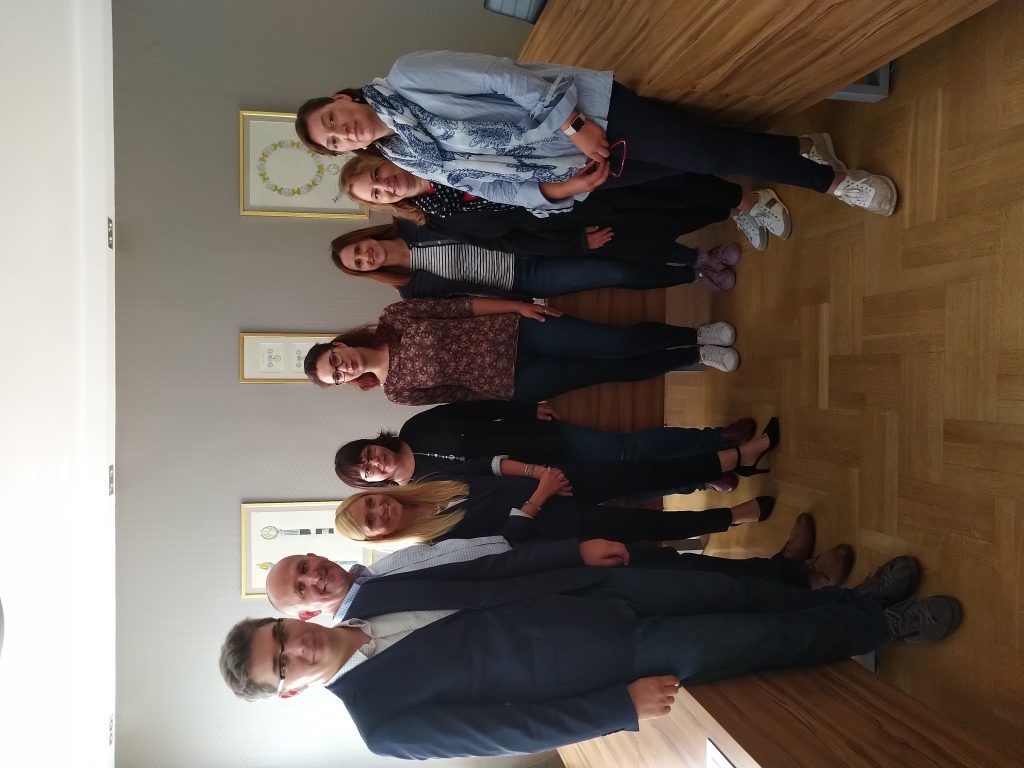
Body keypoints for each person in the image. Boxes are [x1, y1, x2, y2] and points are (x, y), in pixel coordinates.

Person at [221, 540, 957, 759]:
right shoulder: (382, 725)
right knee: (756, 638)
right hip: (615, 660)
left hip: (587, 591)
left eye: (279, 636)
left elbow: (486, 572)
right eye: (281, 665)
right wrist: (617, 709)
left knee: (739, 590)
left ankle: (854, 603)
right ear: (290, 689)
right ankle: (884, 627)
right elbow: (508, 729)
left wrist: (570, 553)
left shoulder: (372, 593)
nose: (295, 649)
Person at [294, 50, 897, 228]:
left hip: (589, 114)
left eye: (332, 120)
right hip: (573, 168)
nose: (343, 132)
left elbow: (502, 77)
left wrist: (576, 128)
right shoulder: (408, 155)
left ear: (341, 99)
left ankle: (835, 180)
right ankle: (801, 149)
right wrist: (559, 191)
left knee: (709, 153)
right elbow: (491, 185)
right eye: (335, 143)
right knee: (694, 158)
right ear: (349, 152)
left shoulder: (406, 77)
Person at [266, 512, 852, 625]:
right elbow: (485, 590)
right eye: (301, 588)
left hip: (544, 561)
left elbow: (479, 555)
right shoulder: (373, 614)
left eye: (303, 564)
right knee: (698, 594)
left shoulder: (380, 568)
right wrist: (567, 559)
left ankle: (782, 569)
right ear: (308, 612)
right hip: (560, 593)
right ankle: (807, 587)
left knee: (680, 568)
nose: (312, 575)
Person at [330, 420, 781, 546]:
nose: (378, 510)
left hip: (562, 480)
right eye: (370, 520)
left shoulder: (430, 481)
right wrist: (541, 496)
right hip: (564, 526)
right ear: (377, 535)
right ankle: (734, 517)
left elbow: (488, 466)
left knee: (647, 473)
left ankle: (740, 456)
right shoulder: (432, 543)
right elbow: (505, 542)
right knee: (652, 527)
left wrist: (537, 473)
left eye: (369, 503)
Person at [303, 297, 740, 404]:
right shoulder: (396, 392)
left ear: (340, 345)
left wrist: (517, 306)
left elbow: (461, 307)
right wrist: (519, 403)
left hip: (519, 332)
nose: (343, 369)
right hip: (518, 382)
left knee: (616, 342)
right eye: (336, 376)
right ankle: (695, 356)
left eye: (334, 360)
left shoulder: (393, 317)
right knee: (612, 370)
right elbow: (460, 397)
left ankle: (694, 332)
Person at [339, 153, 777, 252]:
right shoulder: (435, 220)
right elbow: (508, 242)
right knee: (662, 226)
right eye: (375, 194)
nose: (385, 185)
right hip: (564, 222)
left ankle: (748, 199)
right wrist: (574, 243)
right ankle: (729, 210)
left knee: (666, 189)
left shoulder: (437, 156)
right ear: (383, 204)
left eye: (376, 174)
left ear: (382, 160)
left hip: (570, 177)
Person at [333, 401, 755, 495]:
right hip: (545, 483)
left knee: (626, 450)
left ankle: (716, 439)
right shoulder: (418, 492)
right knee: (632, 482)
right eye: (366, 470)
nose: (374, 462)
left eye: (367, 453)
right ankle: (704, 477)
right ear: (372, 481)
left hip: (544, 440)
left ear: (373, 443)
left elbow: (474, 410)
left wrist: (523, 410)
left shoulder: (415, 426)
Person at [331, 219, 740, 297]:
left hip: (528, 243)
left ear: (364, 237)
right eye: (359, 264)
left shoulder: (411, 220)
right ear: (367, 272)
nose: (366, 257)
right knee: (616, 272)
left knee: (616, 244)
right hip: (525, 280)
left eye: (359, 249)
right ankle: (694, 276)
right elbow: (467, 303)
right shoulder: (409, 288)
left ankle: (697, 255)